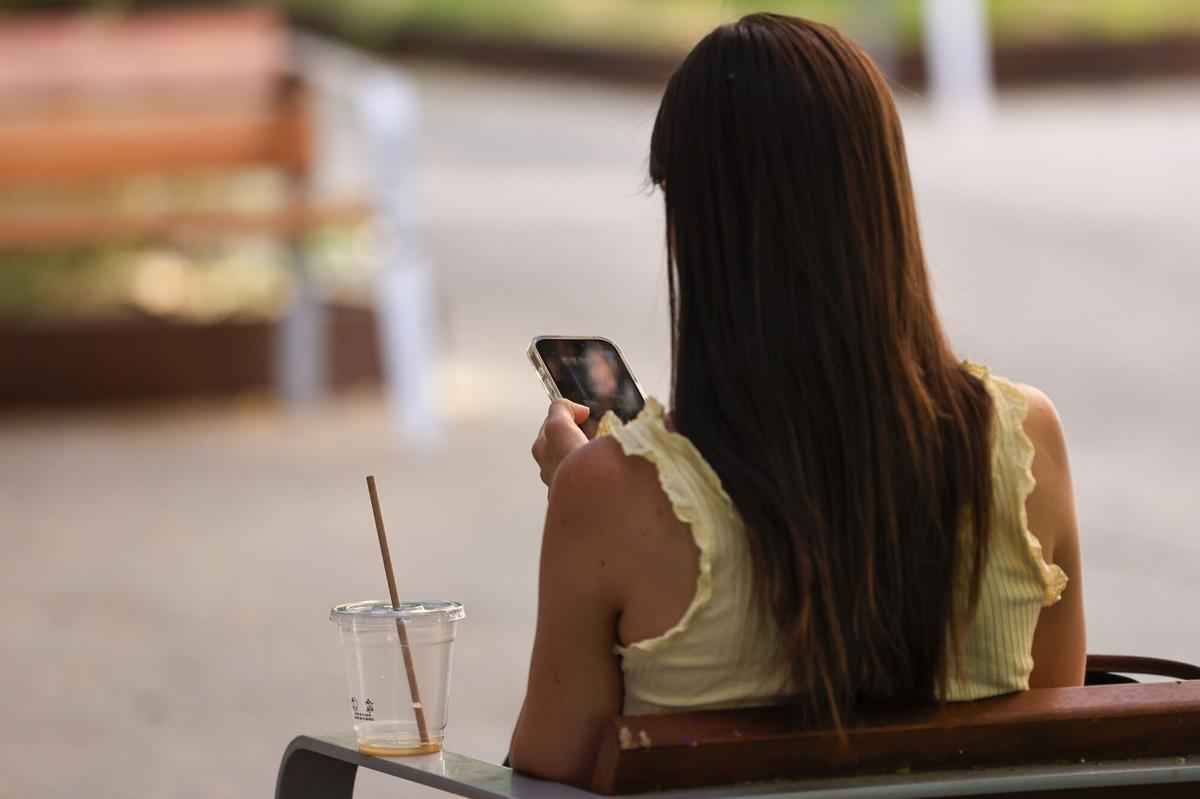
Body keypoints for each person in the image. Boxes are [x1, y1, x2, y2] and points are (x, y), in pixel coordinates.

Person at [510, 13, 1085, 787]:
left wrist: (587, 492)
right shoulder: (1026, 444)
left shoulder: (609, 498)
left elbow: (547, 780)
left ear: (695, 220)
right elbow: (1060, 748)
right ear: (883, 190)